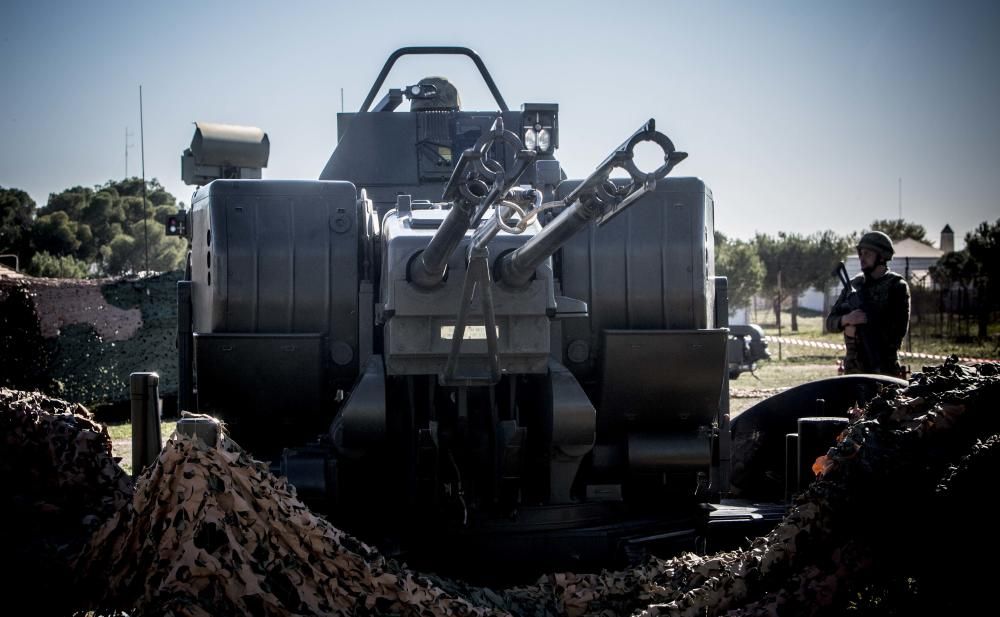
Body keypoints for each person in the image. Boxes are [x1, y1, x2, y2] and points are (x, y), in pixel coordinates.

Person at [826, 231, 911, 376]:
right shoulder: (853, 284)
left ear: (882, 256)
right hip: (853, 371)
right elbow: (830, 323)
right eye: (861, 253)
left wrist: (856, 331)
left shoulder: (896, 286)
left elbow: (896, 334)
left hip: (884, 369)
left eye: (867, 254)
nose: (862, 258)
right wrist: (846, 319)